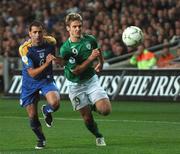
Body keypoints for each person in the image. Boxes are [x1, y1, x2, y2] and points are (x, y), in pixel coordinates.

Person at [58, 13, 112, 146]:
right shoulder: (65, 49)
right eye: (74, 26)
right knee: (87, 119)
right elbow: (76, 71)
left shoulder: (90, 40)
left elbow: (97, 51)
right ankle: (98, 135)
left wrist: (101, 63)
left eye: (79, 26)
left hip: (90, 81)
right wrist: (91, 59)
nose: (77, 29)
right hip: (75, 85)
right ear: (68, 29)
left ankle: (94, 105)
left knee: (105, 110)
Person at [19, 21, 60, 149]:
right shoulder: (24, 49)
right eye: (34, 32)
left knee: (55, 103)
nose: (37, 35)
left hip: (46, 79)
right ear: (29, 34)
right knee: (32, 117)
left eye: (40, 32)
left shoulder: (51, 42)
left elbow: (55, 54)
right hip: (30, 83)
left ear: (44, 32)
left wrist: (57, 60)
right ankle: (41, 139)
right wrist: (47, 64)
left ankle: (47, 110)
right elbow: (31, 73)